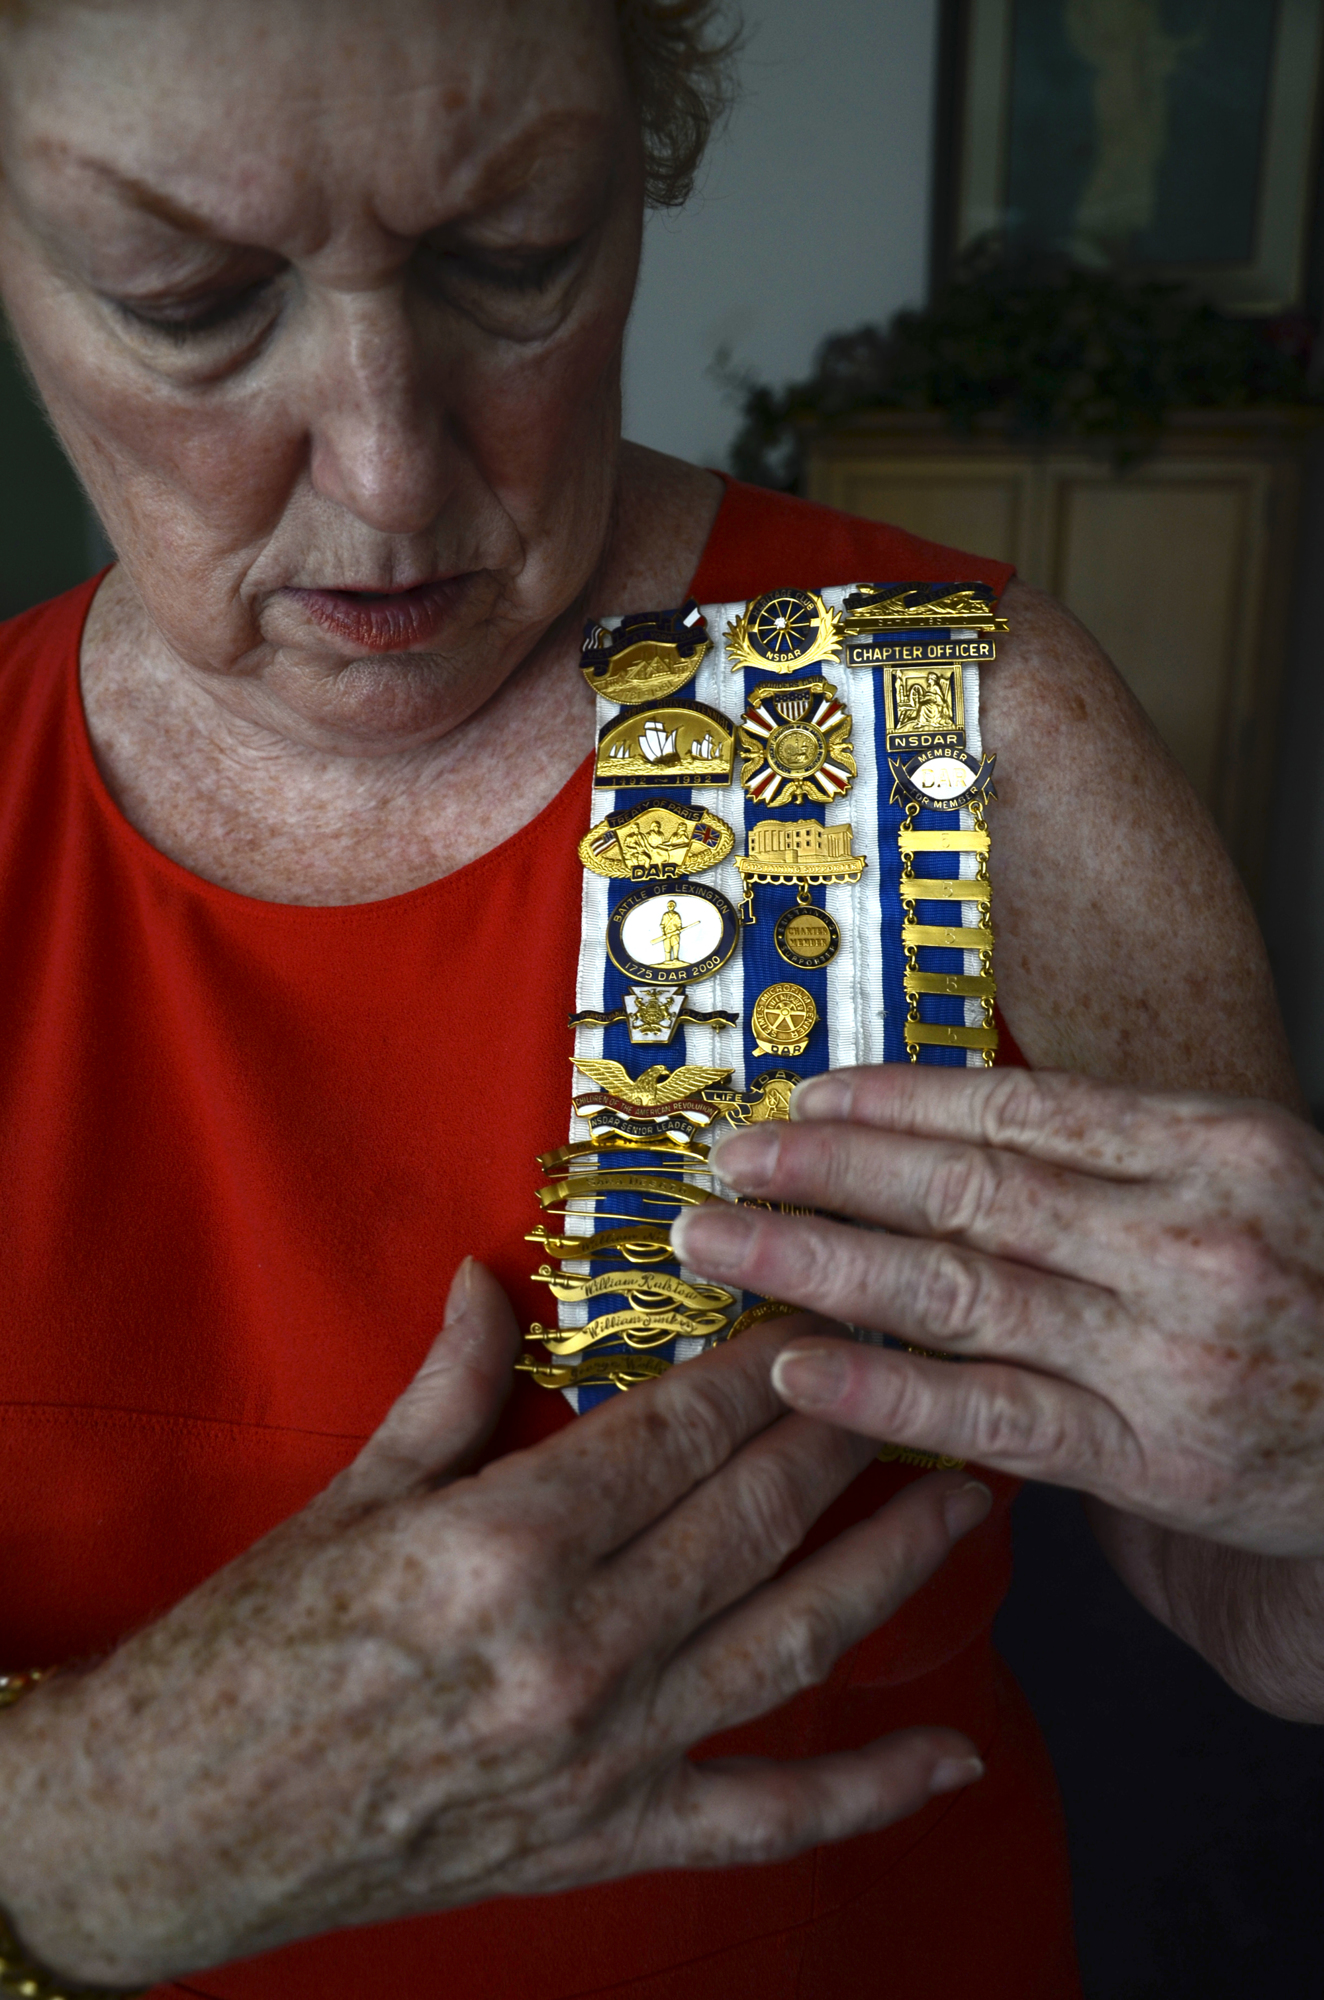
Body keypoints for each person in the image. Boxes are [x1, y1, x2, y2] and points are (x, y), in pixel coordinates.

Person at [0, 0, 1302, 1994]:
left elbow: (1244, 1596)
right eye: (187, 302)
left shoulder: (952, 726)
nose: (386, 464)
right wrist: (82, 1840)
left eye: (514, 260)